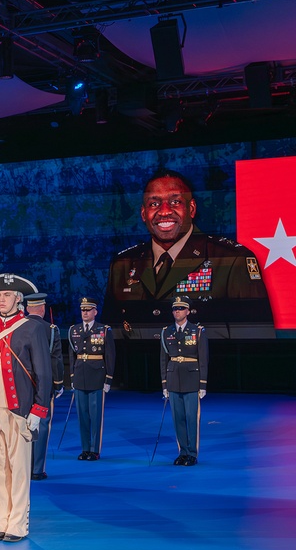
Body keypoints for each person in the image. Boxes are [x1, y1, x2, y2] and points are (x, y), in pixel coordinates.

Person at [103, 169, 272, 336]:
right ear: (143, 214)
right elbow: (108, 343)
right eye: (154, 204)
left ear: (191, 208)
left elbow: (257, 347)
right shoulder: (123, 265)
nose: (164, 211)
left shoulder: (232, 260)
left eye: (175, 202)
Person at [0, 273, 51, 543]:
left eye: (6, 295)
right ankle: (1, 519)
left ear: (19, 299)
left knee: (18, 468)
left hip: (18, 408)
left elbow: (43, 371)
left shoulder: (32, 327)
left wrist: (39, 409)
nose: (1, 300)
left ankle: (17, 521)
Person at [160, 295, 208, 466]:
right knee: (178, 417)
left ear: (188, 311)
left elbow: (203, 359)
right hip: (174, 379)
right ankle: (183, 452)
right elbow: (163, 360)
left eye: (180, 308)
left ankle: (192, 454)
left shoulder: (198, 331)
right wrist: (164, 384)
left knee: (191, 418)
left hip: (191, 378)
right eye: (174, 308)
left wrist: (202, 384)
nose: (177, 311)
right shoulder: (167, 331)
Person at [24, 293, 65, 480]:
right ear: (42, 309)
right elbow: (55, 359)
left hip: (21, 384)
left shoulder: (19, 326)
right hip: (43, 384)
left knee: (21, 423)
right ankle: (37, 469)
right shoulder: (51, 329)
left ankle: (22, 466)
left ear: (26, 308)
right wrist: (58, 384)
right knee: (41, 424)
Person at [68, 297, 114, 461]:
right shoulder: (74, 330)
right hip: (80, 375)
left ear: (95, 311)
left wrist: (108, 379)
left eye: (88, 310)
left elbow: (109, 355)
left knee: (95, 415)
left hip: (97, 376)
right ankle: (85, 448)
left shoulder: (104, 329)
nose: (85, 313)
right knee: (82, 415)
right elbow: (72, 355)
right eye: (83, 310)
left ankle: (94, 450)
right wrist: (72, 376)